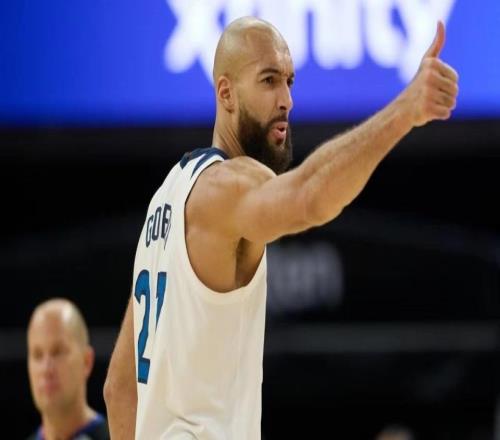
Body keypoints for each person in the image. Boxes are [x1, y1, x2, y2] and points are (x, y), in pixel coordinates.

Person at [103, 16, 458, 440]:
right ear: (226, 93)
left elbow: (119, 390)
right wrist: (404, 111)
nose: (286, 99)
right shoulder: (227, 186)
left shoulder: (165, 199)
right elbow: (309, 197)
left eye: (289, 81)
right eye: (269, 80)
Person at [27, 298, 109, 440]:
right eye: (37, 355)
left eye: (58, 352)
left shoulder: (120, 435)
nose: (46, 369)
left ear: (86, 361)